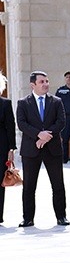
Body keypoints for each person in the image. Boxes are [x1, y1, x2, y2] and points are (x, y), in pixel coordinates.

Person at [16, 70, 68, 227]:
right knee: (29, 186)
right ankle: (28, 218)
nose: (46, 84)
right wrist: (39, 135)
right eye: (42, 82)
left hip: (52, 149)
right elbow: (22, 124)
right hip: (31, 150)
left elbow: (61, 122)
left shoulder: (56, 101)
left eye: (47, 81)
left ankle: (61, 216)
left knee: (57, 184)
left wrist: (45, 137)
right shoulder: (23, 103)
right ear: (33, 85)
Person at [0, 70, 16, 224]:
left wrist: (11, 149)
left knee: (0, 180)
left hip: (1, 147)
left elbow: (10, 127)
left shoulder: (5, 103)